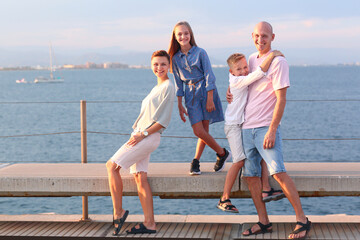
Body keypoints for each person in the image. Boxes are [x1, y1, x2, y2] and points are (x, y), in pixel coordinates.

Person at [227, 22, 311, 239]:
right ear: (252, 36)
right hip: (247, 127)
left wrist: (273, 130)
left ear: (272, 37)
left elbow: (281, 99)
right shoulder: (251, 59)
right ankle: (264, 222)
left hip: (266, 127)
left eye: (264, 36)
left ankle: (302, 220)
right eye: (256, 36)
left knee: (279, 173)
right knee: (251, 177)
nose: (260, 40)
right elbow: (240, 80)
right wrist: (230, 90)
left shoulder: (280, 62)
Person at [106, 50, 175, 235]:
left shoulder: (169, 86)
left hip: (146, 137)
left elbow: (163, 121)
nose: (159, 67)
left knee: (112, 166)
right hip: (142, 135)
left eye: (162, 64)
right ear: (151, 66)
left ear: (169, 66)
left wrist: (142, 134)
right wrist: (139, 133)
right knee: (140, 177)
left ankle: (118, 212)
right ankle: (149, 223)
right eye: (155, 64)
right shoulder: (157, 87)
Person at [218, 51, 285, 213]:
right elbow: (259, 72)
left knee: (260, 152)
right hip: (233, 126)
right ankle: (224, 198)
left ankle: (266, 188)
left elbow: (244, 81)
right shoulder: (238, 81)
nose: (243, 71)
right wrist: (273, 54)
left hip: (240, 125)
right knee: (239, 161)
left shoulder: (236, 80)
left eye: (245, 67)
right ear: (231, 72)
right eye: (239, 69)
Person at [168, 21, 231, 175]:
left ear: (191, 35)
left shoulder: (201, 52)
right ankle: (222, 153)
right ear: (175, 37)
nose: (183, 36)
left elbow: (210, 75)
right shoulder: (175, 59)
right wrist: (179, 104)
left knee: (204, 131)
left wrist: (210, 98)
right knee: (199, 131)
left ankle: (195, 161)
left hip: (206, 91)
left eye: (186, 33)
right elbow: (178, 83)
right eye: (180, 34)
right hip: (190, 95)